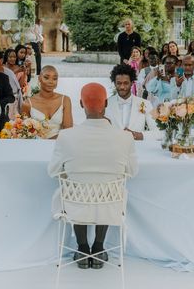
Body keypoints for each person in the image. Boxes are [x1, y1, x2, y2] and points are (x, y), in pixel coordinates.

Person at [47, 83, 138, 269]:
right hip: (110, 204)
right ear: (106, 103)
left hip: (74, 205)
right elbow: (133, 171)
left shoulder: (65, 137)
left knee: (77, 191)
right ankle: (98, 247)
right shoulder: (125, 137)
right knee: (104, 192)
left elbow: (52, 171)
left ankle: (81, 248)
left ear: (81, 104)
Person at [106, 64, 156, 140]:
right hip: (113, 148)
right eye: (119, 83)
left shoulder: (146, 103)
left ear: (132, 83)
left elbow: (159, 132)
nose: (122, 87)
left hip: (137, 149)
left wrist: (139, 135)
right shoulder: (106, 104)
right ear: (114, 83)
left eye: (126, 83)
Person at [21, 66, 73, 139]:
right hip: (36, 146)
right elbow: (25, 132)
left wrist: (48, 142)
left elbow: (68, 130)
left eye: (54, 79)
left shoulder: (65, 100)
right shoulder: (27, 103)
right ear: (39, 78)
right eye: (46, 77)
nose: (51, 82)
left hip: (60, 144)